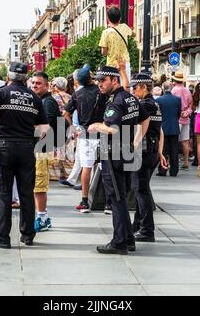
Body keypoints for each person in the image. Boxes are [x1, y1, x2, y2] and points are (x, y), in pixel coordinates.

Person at [0, 62, 49, 248]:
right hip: (26, 148)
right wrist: (31, 141)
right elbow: (44, 128)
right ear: (26, 78)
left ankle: (2, 237)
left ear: (8, 76)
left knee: (4, 193)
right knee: (26, 193)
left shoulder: (1, 93)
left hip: (5, 147)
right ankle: (27, 235)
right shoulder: (34, 98)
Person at [88, 66, 149, 255]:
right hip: (125, 152)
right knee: (121, 195)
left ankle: (120, 241)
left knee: (116, 198)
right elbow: (145, 119)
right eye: (98, 81)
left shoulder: (116, 101)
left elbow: (112, 129)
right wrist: (135, 142)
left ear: (114, 80)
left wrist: (97, 125)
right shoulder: (131, 98)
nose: (100, 84)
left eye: (103, 80)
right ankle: (128, 239)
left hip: (113, 153)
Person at [63, 64, 108, 213]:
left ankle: (84, 201)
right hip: (102, 133)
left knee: (86, 168)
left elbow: (65, 112)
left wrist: (74, 127)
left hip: (84, 135)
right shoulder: (101, 91)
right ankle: (108, 203)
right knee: (105, 168)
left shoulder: (77, 94)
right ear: (90, 77)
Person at [129, 73, 167, 242]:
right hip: (151, 151)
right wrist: (160, 152)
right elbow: (160, 131)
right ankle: (137, 225)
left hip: (144, 152)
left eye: (134, 88)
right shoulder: (155, 105)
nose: (132, 91)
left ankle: (147, 230)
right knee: (140, 189)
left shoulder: (146, 104)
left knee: (140, 190)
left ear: (144, 87)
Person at [31, 72, 60, 232]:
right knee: (37, 184)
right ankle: (43, 215)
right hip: (39, 147)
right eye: (33, 83)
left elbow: (44, 128)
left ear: (47, 85)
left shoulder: (47, 102)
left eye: (38, 83)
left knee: (39, 185)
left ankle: (42, 218)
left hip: (42, 148)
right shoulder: (39, 100)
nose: (35, 86)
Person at [99, 6, 133, 83]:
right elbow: (133, 34)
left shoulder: (106, 32)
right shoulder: (124, 27)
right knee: (125, 86)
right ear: (120, 18)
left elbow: (103, 52)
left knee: (113, 88)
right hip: (125, 63)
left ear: (108, 19)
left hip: (111, 65)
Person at [156, 81, 181, 177]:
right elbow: (178, 113)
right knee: (174, 150)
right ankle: (174, 171)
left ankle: (163, 169)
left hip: (163, 127)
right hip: (174, 127)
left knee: (163, 150)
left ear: (163, 88)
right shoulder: (177, 100)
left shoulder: (159, 100)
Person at [171, 71, 192, 171]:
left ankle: (172, 161)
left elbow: (173, 104)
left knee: (174, 140)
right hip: (186, 117)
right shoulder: (187, 90)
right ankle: (186, 162)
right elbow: (191, 105)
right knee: (185, 141)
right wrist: (187, 112)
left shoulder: (174, 90)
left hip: (177, 117)